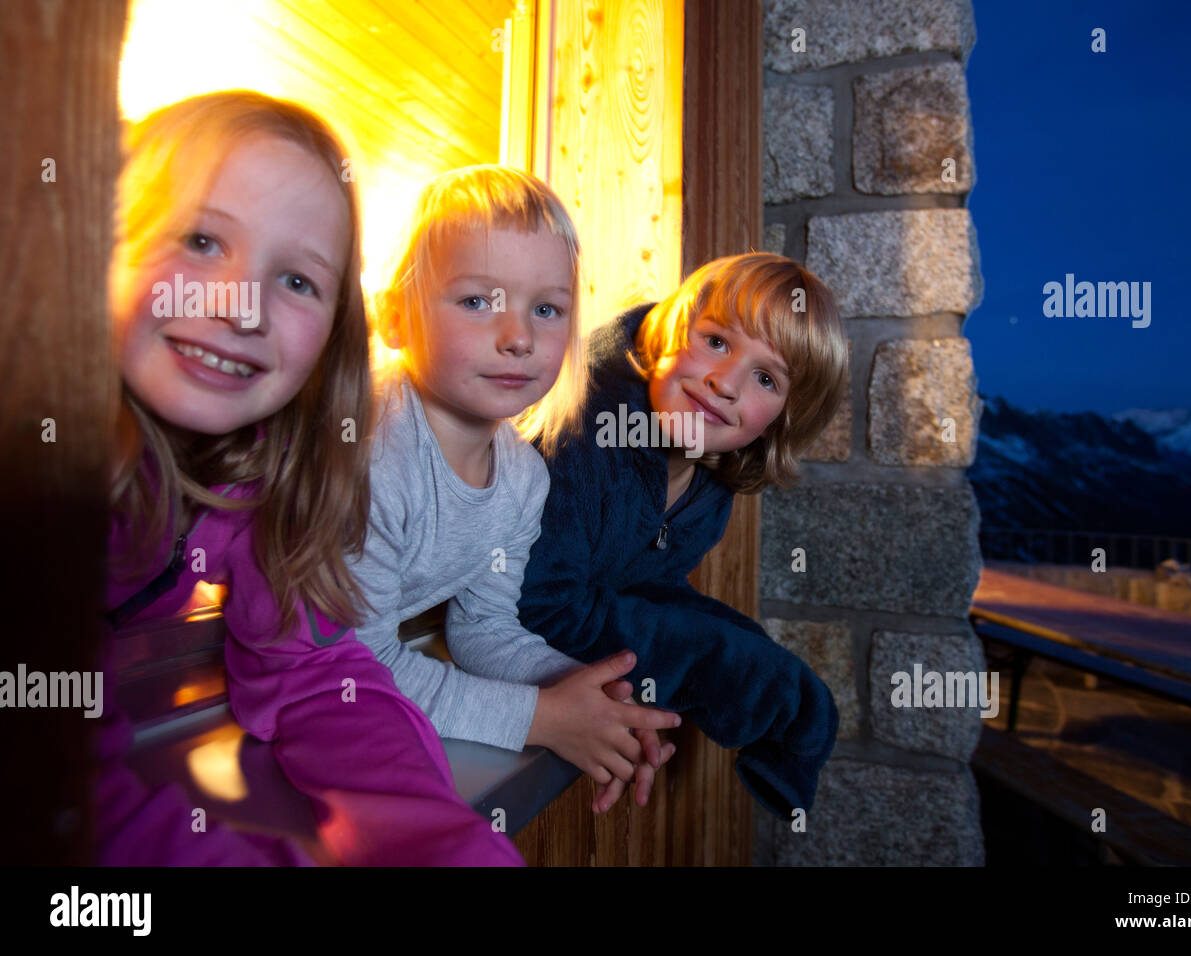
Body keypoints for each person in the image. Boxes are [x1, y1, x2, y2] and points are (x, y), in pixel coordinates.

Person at [100, 91, 520, 865]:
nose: (242, 306)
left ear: (334, 338)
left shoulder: (253, 476)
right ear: (99, 244)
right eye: (199, 239)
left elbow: (314, 672)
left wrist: (442, 846)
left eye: (297, 281)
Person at [350, 166, 681, 815]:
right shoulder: (374, 453)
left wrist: (584, 701)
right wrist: (539, 718)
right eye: (477, 301)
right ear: (394, 318)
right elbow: (350, 664)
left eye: (546, 309)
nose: (519, 337)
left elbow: (484, 627)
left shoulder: (524, 479)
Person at [518, 253, 850, 817]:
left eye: (766, 378)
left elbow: (649, 590)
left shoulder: (709, 481)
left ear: (783, 419)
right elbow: (539, 604)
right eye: (717, 340)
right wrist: (713, 666)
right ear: (674, 327)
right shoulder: (583, 426)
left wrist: (750, 661)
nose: (724, 382)